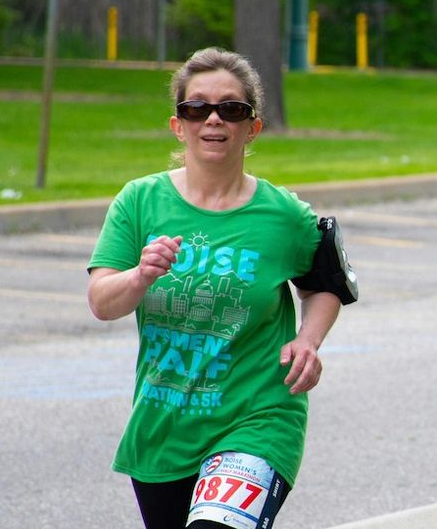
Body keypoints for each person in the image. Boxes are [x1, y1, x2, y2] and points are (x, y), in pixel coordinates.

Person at [87, 47, 357, 529]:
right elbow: (102, 303)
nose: (213, 120)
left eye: (231, 109)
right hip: (164, 423)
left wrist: (309, 340)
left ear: (251, 126)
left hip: (258, 418)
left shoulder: (285, 216)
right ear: (179, 124)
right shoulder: (139, 202)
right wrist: (140, 275)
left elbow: (326, 285)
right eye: (198, 109)